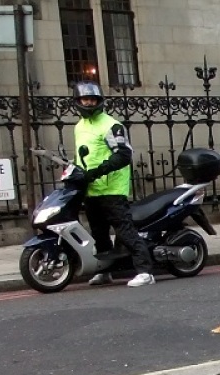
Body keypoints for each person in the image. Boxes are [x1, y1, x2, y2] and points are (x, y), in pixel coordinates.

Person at [67, 82, 155, 288]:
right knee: (99, 233)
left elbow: (124, 155)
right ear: (77, 102)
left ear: (99, 101)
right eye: (84, 99)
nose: (88, 103)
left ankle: (145, 271)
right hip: (91, 189)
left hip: (112, 188)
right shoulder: (79, 126)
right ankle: (106, 271)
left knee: (124, 230)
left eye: (92, 99)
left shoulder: (111, 125)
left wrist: (97, 172)